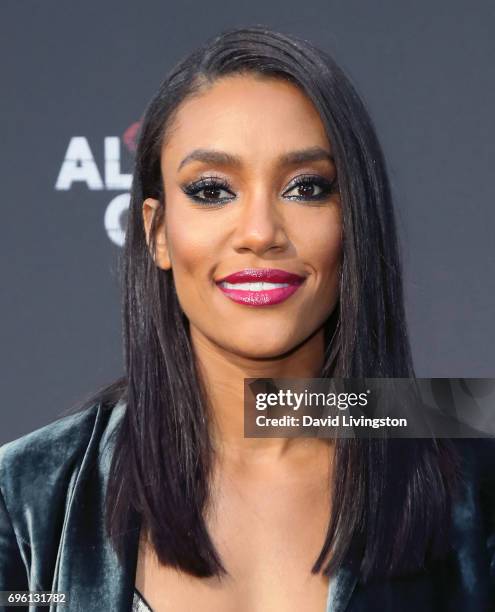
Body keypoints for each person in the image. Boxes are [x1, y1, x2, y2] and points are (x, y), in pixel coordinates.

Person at [0, 25, 494, 612]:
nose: (259, 232)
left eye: (306, 187)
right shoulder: (27, 495)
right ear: (156, 232)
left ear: (354, 221)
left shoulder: (473, 474)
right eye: (212, 191)